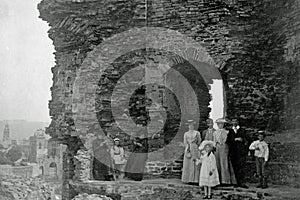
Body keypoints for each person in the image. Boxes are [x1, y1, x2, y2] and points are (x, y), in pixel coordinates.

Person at [213, 118, 236, 185]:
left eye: (222, 124)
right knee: (217, 162)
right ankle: (218, 180)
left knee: (224, 162)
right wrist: (214, 147)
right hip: (217, 147)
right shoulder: (215, 132)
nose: (220, 125)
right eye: (219, 124)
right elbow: (214, 141)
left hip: (224, 147)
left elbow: (228, 141)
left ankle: (225, 180)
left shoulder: (227, 132)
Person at [227, 118, 249, 188]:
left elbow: (246, 140)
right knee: (234, 167)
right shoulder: (230, 131)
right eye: (233, 121)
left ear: (238, 122)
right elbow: (228, 141)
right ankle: (235, 182)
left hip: (241, 152)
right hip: (233, 152)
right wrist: (235, 139)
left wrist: (242, 141)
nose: (234, 122)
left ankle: (242, 182)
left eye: (235, 121)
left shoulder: (242, 130)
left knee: (241, 167)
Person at [181, 120, 202, 184]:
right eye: (190, 125)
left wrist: (195, 146)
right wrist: (187, 148)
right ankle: (188, 179)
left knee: (195, 163)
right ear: (188, 126)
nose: (191, 126)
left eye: (192, 125)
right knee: (188, 163)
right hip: (188, 148)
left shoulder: (197, 133)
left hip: (195, 148)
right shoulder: (186, 134)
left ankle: (195, 179)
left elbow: (199, 141)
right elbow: (185, 142)